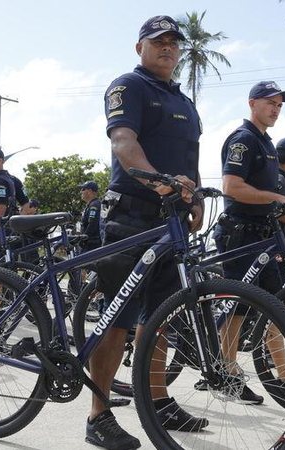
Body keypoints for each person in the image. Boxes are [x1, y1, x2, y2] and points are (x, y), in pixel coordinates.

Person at [87, 15, 205, 449]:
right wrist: (163, 185)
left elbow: (189, 162)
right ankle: (98, 415)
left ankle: (157, 400)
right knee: (117, 318)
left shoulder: (185, 101)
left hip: (169, 221)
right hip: (132, 215)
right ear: (140, 47)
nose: (168, 48)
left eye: (174, 43)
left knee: (162, 317)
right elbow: (124, 143)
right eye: (159, 42)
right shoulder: (129, 86)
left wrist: (193, 196)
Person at [212, 82, 285, 404]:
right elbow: (232, 187)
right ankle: (228, 371)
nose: (276, 109)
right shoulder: (244, 140)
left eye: (280, 104)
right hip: (240, 234)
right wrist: (280, 198)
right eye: (271, 103)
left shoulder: (265, 142)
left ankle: (283, 373)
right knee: (236, 308)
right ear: (252, 103)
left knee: (275, 305)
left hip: (263, 236)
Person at [78, 180, 102, 252]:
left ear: (90, 191)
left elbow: (92, 224)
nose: (81, 192)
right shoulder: (91, 205)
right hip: (90, 244)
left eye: (83, 189)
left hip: (92, 245)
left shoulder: (94, 205)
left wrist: (83, 239)